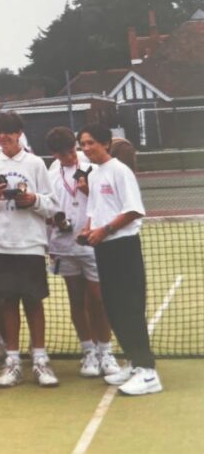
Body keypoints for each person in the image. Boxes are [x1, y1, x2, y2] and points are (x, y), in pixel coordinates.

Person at [0, 112, 60, 388]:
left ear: (19, 133)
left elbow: (53, 205)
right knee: (7, 304)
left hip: (31, 245)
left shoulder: (36, 164)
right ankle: (12, 362)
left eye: (8, 132)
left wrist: (32, 199)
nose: (3, 137)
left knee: (34, 303)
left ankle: (40, 360)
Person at [78, 124, 162, 396]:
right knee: (113, 308)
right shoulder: (93, 174)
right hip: (103, 248)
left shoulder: (120, 171)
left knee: (129, 308)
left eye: (91, 143)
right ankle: (135, 363)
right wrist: (88, 230)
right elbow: (94, 209)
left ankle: (148, 372)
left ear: (104, 143)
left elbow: (134, 210)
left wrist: (105, 230)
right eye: (83, 144)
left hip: (123, 247)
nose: (86, 148)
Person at [46, 127, 121, 378]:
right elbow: (49, 208)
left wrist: (88, 189)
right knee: (76, 299)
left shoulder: (92, 165)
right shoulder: (52, 173)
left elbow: (108, 201)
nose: (68, 157)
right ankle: (88, 351)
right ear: (54, 154)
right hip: (63, 245)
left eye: (70, 151)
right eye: (61, 154)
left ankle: (105, 350)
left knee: (98, 299)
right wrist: (52, 230)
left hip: (93, 242)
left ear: (75, 146)